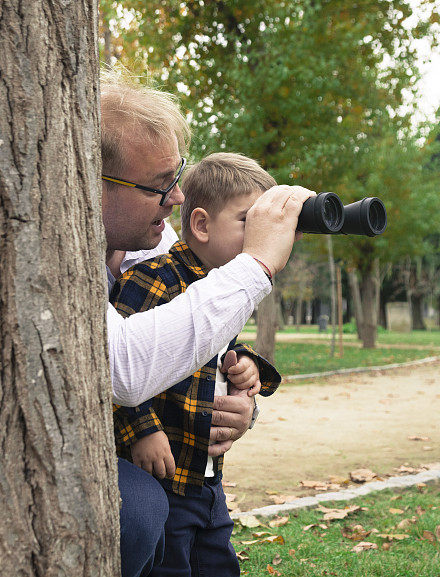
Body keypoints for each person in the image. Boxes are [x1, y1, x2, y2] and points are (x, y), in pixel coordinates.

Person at [99, 68, 314, 577]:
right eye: (159, 185)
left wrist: (244, 402)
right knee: (148, 518)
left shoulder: (150, 237)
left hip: (203, 476)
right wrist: (256, 265)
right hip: (154, 472)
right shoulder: (134, 269)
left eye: (177, 178)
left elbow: (199, 340)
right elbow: (122, 370)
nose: (175, 198)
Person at [110, 153, 283, 577]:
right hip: (162, 473)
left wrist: (245, 367)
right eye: (248, 221)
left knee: (219, 564)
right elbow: (112, 363)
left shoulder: (216, 281)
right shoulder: (153, 278)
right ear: (202, 225)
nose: (260, 235)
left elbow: (209, 347)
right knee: (171, 567)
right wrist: (142, 429)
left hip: (205, 478)